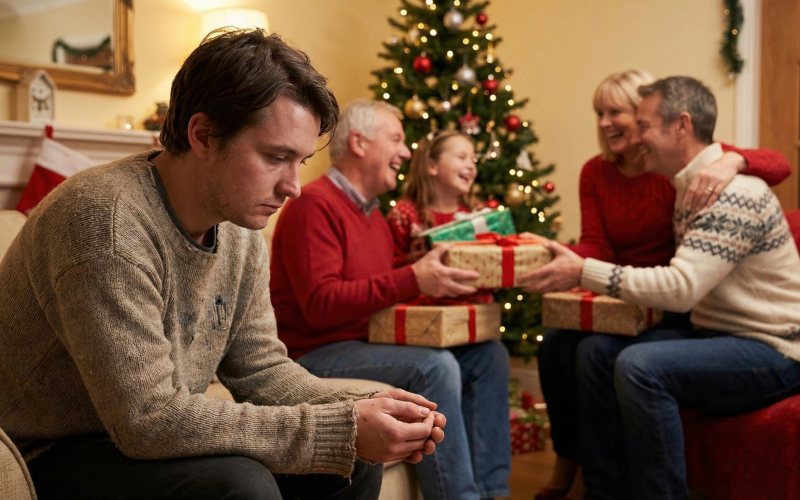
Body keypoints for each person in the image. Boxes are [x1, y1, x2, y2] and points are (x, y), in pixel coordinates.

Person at [0, 29, 447, 500]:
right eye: (276, 157)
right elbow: (148, 419)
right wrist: (338, 427)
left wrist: (362, 407)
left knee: (350, 465)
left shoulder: (240, 229)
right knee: (239, 484)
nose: (293, 186)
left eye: (300, 161)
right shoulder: (104, 222)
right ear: (203, 134)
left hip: (134, 437)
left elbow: (260, 370)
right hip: (42, 452)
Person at [524, 76, 800, 500]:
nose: (635, 135)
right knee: (586, 352)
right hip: (718, 333)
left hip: (773, 346)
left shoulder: (730, 191)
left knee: (640, 365)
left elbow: (682, 287)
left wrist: (583, 272)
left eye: (644, 125)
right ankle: (606, 489)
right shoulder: (685, 184)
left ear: (681, 126)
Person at [270, 98, 512, 500]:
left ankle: (494, 492)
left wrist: (428, 274)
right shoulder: (314, 204)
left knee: (489, 356)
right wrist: (413, 278)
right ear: (361, 144)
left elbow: (385, 281)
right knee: (434, 366)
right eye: (397, 139)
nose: (405, 152)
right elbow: (322, 304)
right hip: (316, 351)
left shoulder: (372, 213)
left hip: (367, 341)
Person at [387, 129, 480, 268]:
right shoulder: (404, 214)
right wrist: (412, 261)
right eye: (461, 157)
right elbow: (388, 267)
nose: (471, 166)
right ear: (432, 166)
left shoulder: (477, 213)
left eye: (473, 160)